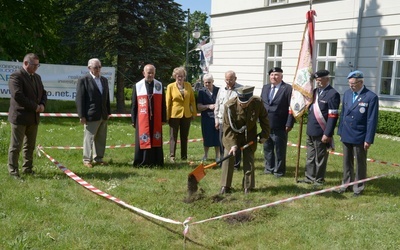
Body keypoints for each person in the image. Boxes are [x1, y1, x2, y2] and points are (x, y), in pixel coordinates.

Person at [220, 86, 270, 194]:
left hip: (250, 135)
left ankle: (248, 186)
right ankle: (225, 186)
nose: (244, 104)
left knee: (249, 160)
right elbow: (227, 127)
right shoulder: (229, 106)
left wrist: (264, 135)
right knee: (228, 158)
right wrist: (232, 145)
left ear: (251, 99)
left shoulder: (258, 103)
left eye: (246, 102)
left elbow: (264, 119)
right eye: (241, 102)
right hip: (232, 134)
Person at [336, 70, 379, 197]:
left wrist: (368, 139)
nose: (351, 86)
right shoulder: (348, 94)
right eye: (349, 83)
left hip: (360, 135)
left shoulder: (371, 97)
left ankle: (358, 188)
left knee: (360, 163)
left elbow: (372, 120)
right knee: (346, 161)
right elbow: (343, 114)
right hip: (347, 134)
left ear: (361, 82)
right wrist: (340, 132)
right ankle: (346, 184)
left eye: (353, 84)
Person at [7, 53, 47, 178]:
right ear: (25, 63)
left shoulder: (37, 77)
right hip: (20, 117)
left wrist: (42, 104)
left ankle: (27, 168)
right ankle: (13, 171)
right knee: (16, 146)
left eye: (38, 65)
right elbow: (18, 95)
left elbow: (43, 92)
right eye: (34, 65)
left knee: (30, 145)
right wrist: (35, 107)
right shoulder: (16, 76)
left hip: (33, 118)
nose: (36, 67)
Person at [298, 70, 340, 185]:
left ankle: (319, 179)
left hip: (322, 131)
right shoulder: (314, 92)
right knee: (310, 156)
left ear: (327, 79)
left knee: (320, 157)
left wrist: (328, 133)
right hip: (311, 129)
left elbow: (333, 115)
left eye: (320, 80)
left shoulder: (333, 94)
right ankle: (309, 177)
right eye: (317, 80)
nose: (318, 82)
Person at [76, 58, 111, 168]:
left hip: (103, 114)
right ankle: (87, 159)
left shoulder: (104, 80)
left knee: (101, 138)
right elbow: (79, 99)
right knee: (89, 138)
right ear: (89, 68)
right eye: (96, 67)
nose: (98, 69)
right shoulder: (83, 80)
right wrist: (82, 115)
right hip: (90, 115)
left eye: (100, 67)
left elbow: (106, 97)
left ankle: (99, 158)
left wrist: (108, 112)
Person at [260, 67, 294, 177]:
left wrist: (289, 123)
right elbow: (262, 104)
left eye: (276, 75)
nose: (273, 77)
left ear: (281, 76)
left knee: (279, 149)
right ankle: (269, 168)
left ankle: (279, 171)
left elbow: (292, 107)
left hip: (281, 124)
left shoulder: (288, 88)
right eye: (272, 75)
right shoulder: (265, 88)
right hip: (266, 124)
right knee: (267, 148)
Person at [131, 64, 166, 166]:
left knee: (156, 138)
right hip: (142, 118)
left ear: (154, 73)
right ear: (143, 73)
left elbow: (163, 104)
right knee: (143, 139)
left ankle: (156, 161)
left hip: (156, 118)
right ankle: (142, 161)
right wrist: (133, 120)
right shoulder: (138, 86)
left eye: (152, 73)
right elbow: (134, 104)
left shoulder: (159, 85)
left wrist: (163, 118)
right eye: (148, 72)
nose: (150, 75)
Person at [166, 67, 197, 162]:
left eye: (182, 76)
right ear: (175, 76)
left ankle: (184, 156)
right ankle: (172, 156)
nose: (180, 78)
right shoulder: (170, 86)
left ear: (184, 77)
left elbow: (192, 100)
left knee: (184, 136)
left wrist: (194, 113)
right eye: (178, 76)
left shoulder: (188, 86)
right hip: (174, 115)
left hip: (186, 115)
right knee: (173, 136)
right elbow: (168, 102)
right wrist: (167, 116)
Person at [214, 70, 243, 170]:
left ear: (235, 78)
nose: (228, 82)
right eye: (226, 80)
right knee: (223, 142)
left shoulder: (240, 89)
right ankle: (224, 162)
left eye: (230, 80)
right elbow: (217, 104)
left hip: (235, 122)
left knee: (235, 142)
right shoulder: (222, 89)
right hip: (222, 121)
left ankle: (235, 164)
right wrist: (216, 119)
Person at [196, 73, 220, 162]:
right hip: (206, 118)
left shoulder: (218, 90)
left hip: (217, 117)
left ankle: (217, 156)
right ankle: (205, 155)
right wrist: (208, 106)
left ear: (213, 82)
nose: (207, 84)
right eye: (205, 83)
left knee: (217, 138)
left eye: (209, 82)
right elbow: (199, 106)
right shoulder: (201, 92)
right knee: (206, 137)